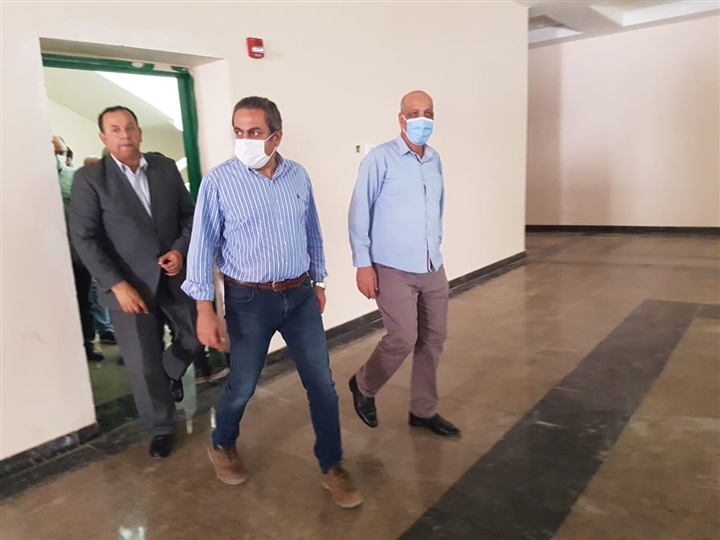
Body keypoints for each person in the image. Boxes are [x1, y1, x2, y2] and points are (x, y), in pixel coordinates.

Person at [182, 96, 361, 509]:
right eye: (238, 131)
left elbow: (312, 230)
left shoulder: (298, 176)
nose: (244, 140)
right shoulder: (219, 181)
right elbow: (201, 247)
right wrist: (204, 309)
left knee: (322, 384)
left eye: (254, 132)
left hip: (299, 296)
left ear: (276, 137)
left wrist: (319, 280)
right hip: (248, 300)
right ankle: (222, 443)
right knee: (243, 384)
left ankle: (331, 464)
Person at [69, 106, 203, 459]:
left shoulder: (164, 167)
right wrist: (116, 285)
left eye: (130, 127)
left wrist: (179, 250)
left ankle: (170, 372)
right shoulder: (91, 179)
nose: (124, 135)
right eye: (115, 130)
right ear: (103, 137)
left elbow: (190, 215)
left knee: (195, 336)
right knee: (143, 365)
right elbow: (85, 238)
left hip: (173, 277)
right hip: (128, 288)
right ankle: (162, 427)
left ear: (140, 132)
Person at [347, 90, 460, 438]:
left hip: (431, 264)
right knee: (403, 338)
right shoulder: (379, 159)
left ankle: (423, 411)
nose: (422, 119)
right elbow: (359, 212)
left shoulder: (435, 159)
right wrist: (363, 264)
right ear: (401, 119)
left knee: (434, 338)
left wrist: (435, 243)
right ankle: (363, 385)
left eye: (428, 113)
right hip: (391, 266)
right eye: (414, 113)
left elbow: (437, 207)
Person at [53, 135, 103, 362]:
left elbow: (89, 217)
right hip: (46, 260)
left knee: (83, 302)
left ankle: (86, 345)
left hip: (77, 257)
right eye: (53, 152)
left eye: (60, 152)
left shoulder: (75, 178)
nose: (57, 156)